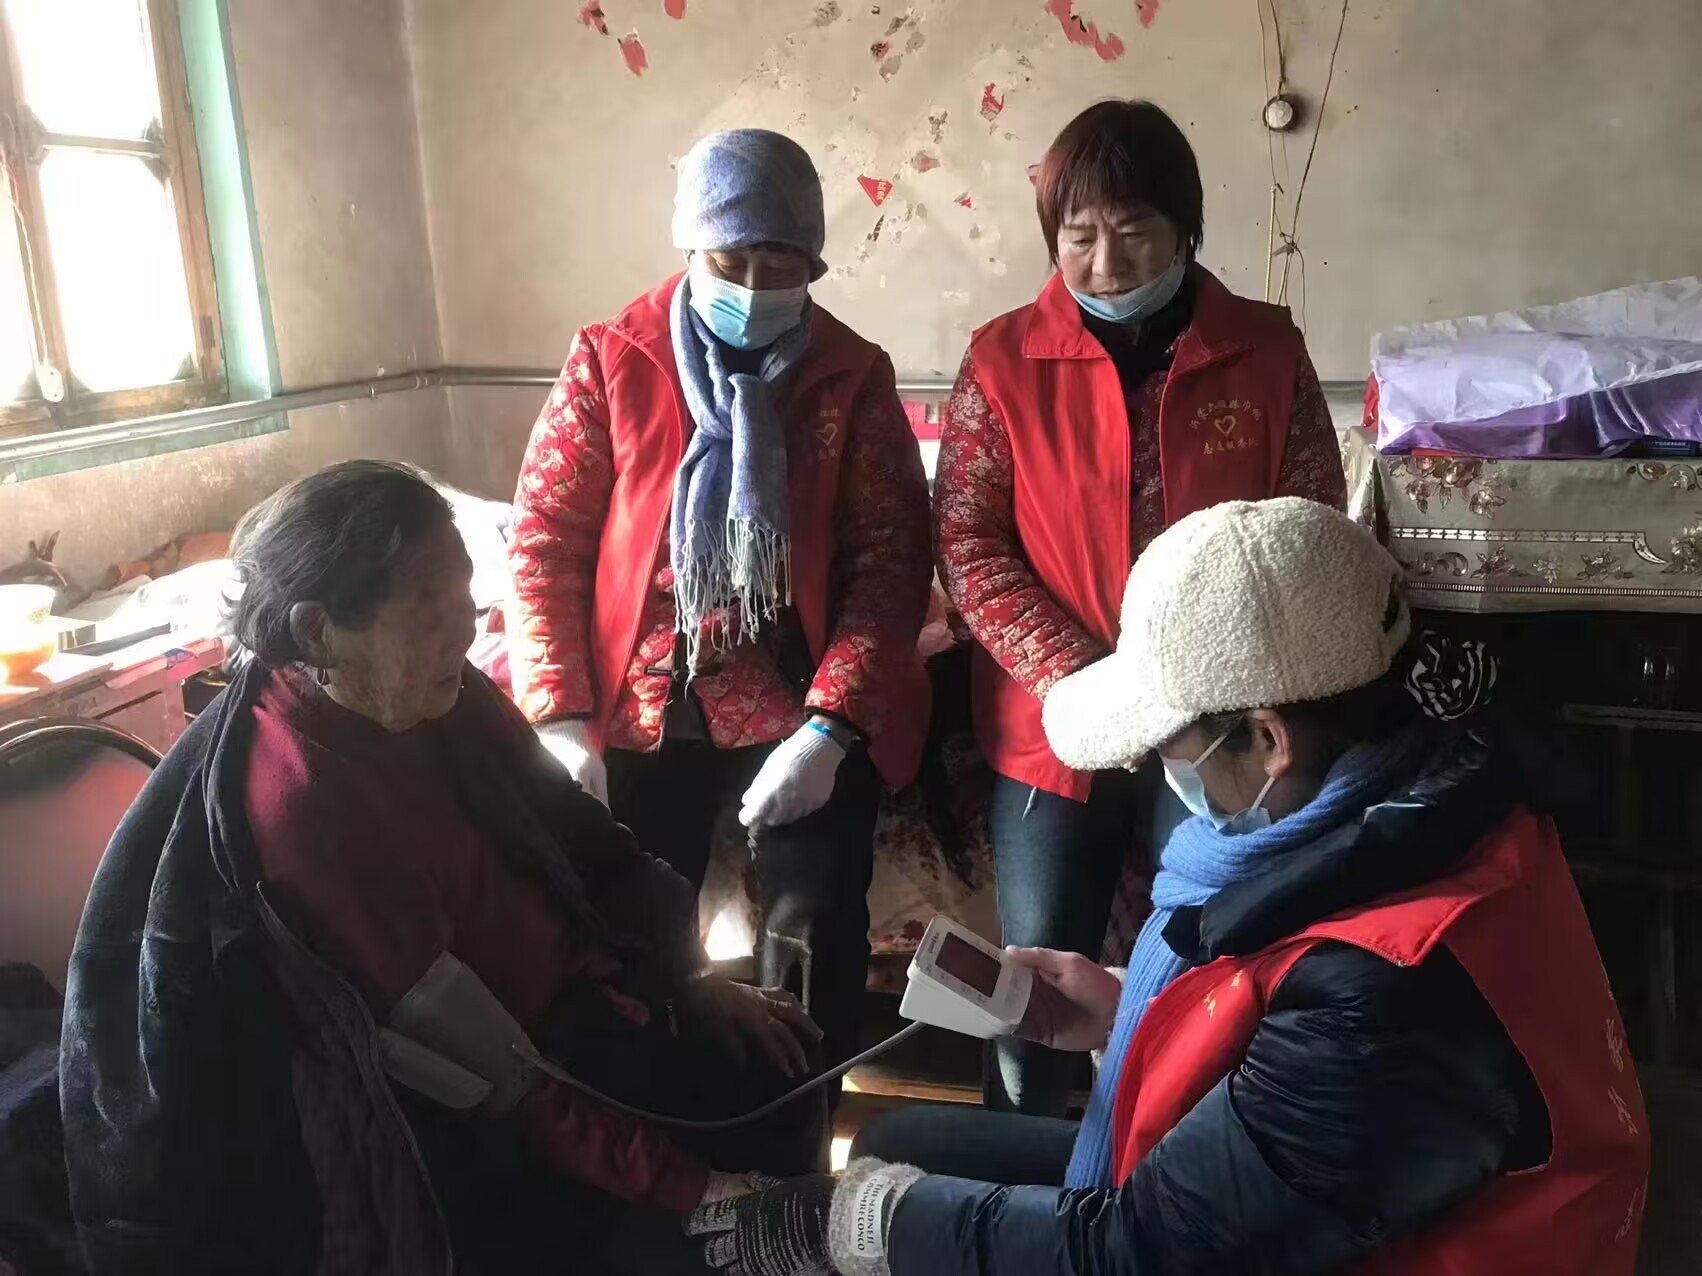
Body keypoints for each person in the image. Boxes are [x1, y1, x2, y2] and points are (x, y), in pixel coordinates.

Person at [684, 498, 1649, 1276]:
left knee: (879, 1211)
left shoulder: (1384, 993)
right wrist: (1129, 1014)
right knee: (904, 1148)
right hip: (1346, 1207)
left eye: (1172, 748)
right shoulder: (1445, 805)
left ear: (1267, 740)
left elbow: (1137, 1253)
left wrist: (848, 1228)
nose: (1158, 773)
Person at [60, 461, 827, 1275]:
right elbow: (491, 1075)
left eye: (463, 586)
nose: (467, 623)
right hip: (470, 1095)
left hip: (573, 1005)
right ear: (317, 631)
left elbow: (585, 840)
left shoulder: (433, 693)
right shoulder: (305, 804)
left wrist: (690, 979)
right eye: (428, 599)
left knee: (782, 1067)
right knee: (719, 1214)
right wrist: (697, 1190)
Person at [934, 98, 1347, 1114]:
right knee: (1032, 983)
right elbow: (969, 543)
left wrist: (1195, 685)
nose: (1107, 264)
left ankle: (1181, 1167)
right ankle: (1028, 1174)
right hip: (1055, 725)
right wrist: (1087, 681)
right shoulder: (1002, 361)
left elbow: (1304, 529)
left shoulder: (1263, 351)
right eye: (1079, 237)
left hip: (1218, 724)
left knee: (1214, 961)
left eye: (1135, 232)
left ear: (1185, 229)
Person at [508, 127, 932, 1077]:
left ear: (813, 261)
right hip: (642, 703)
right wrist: (562, 718)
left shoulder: (851, 376)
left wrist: (831, 732)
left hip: (797, 703)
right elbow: (544, 543)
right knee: (627, 931)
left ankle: (795, 1122)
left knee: (813, 927)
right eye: (728, 260)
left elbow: (892, 566)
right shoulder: (612, 359)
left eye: (779, 263)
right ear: (689, 248)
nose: (751, 284)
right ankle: (660, 1126)